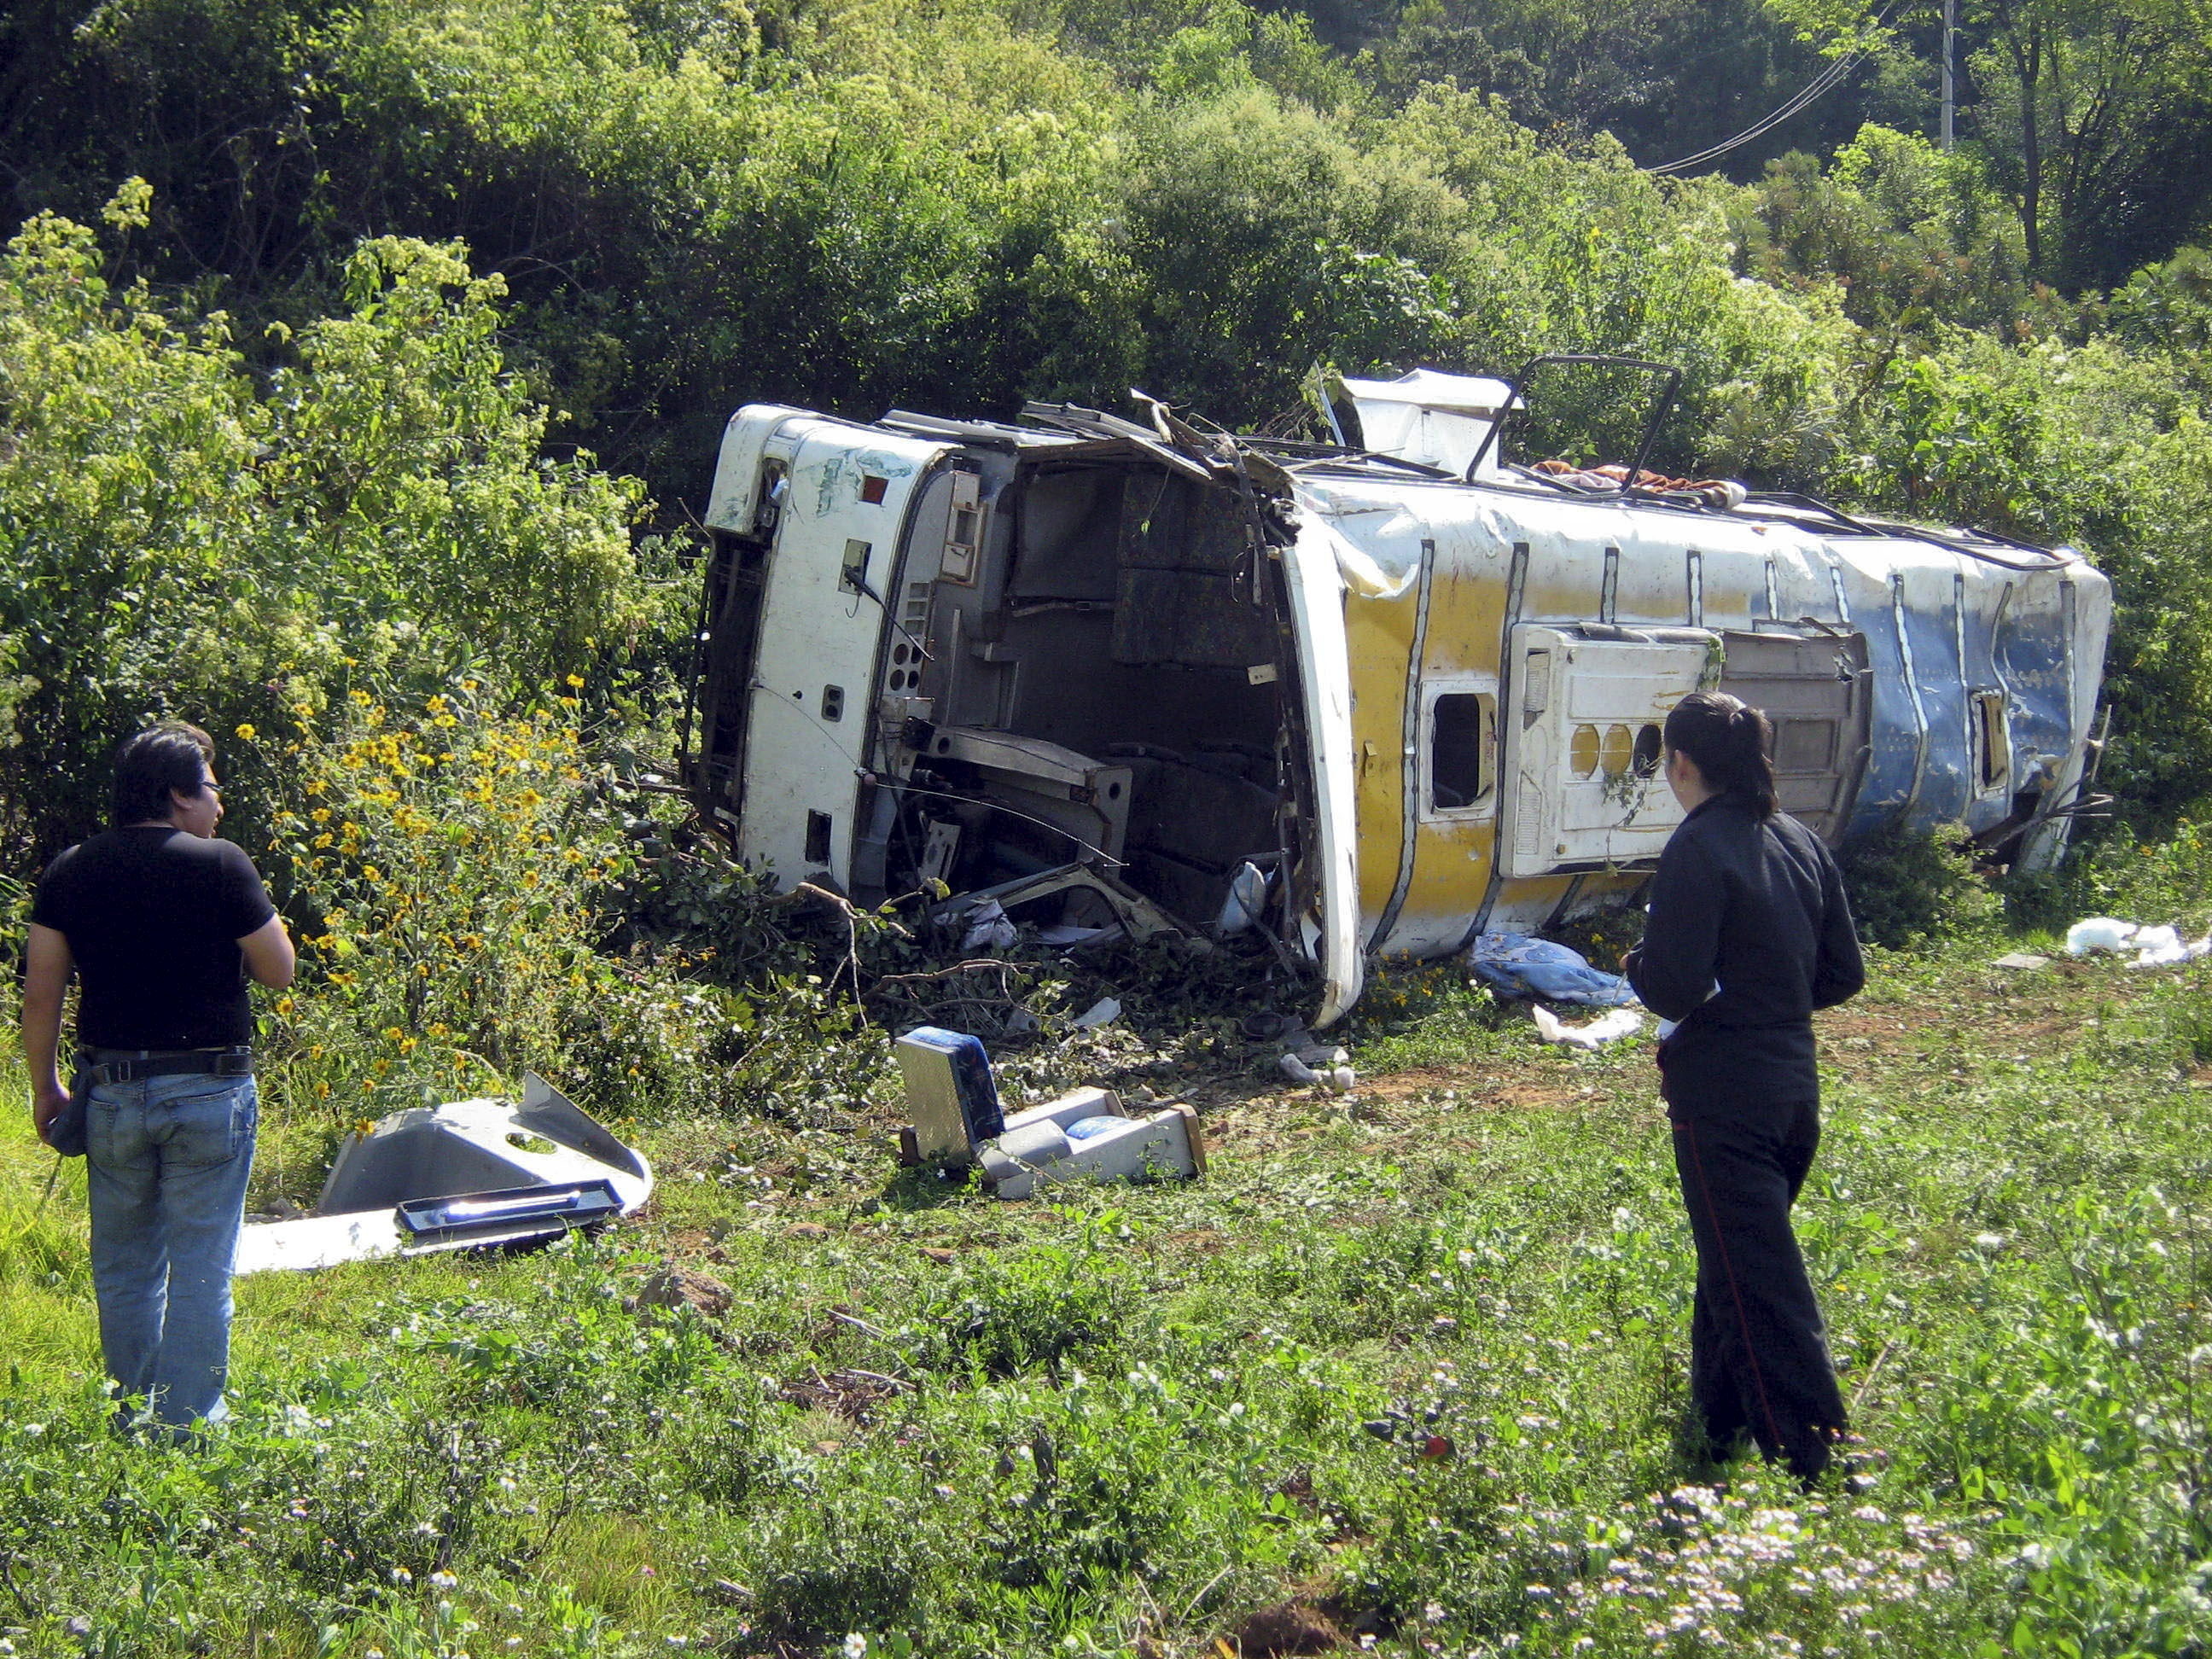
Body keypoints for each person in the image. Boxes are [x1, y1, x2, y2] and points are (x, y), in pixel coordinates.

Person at [21, 722, 294, 1434]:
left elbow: (41, 994)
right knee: (203, 1270)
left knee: (124, 1268)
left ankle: (130, 1417)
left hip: (110, 1094)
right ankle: (189, 1427)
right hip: (210, 1093)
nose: (219, 806)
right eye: (210, 787)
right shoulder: (223, 865)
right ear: (177, 795)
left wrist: (45, 1086)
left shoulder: (70, 871)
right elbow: (279, 970)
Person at [1623, 690, 1864, 1484]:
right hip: (1794, 1092)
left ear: (1681, 765)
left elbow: (1673, 988)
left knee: (1761, 1285)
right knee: (1735, 1262)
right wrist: (1770, 1000)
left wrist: (1635, 967)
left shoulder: (1698, 846)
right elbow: (1843, 973)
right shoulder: (1797, 838)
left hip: (1722, 1098)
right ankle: (1713, 1431)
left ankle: (1819, 1462)